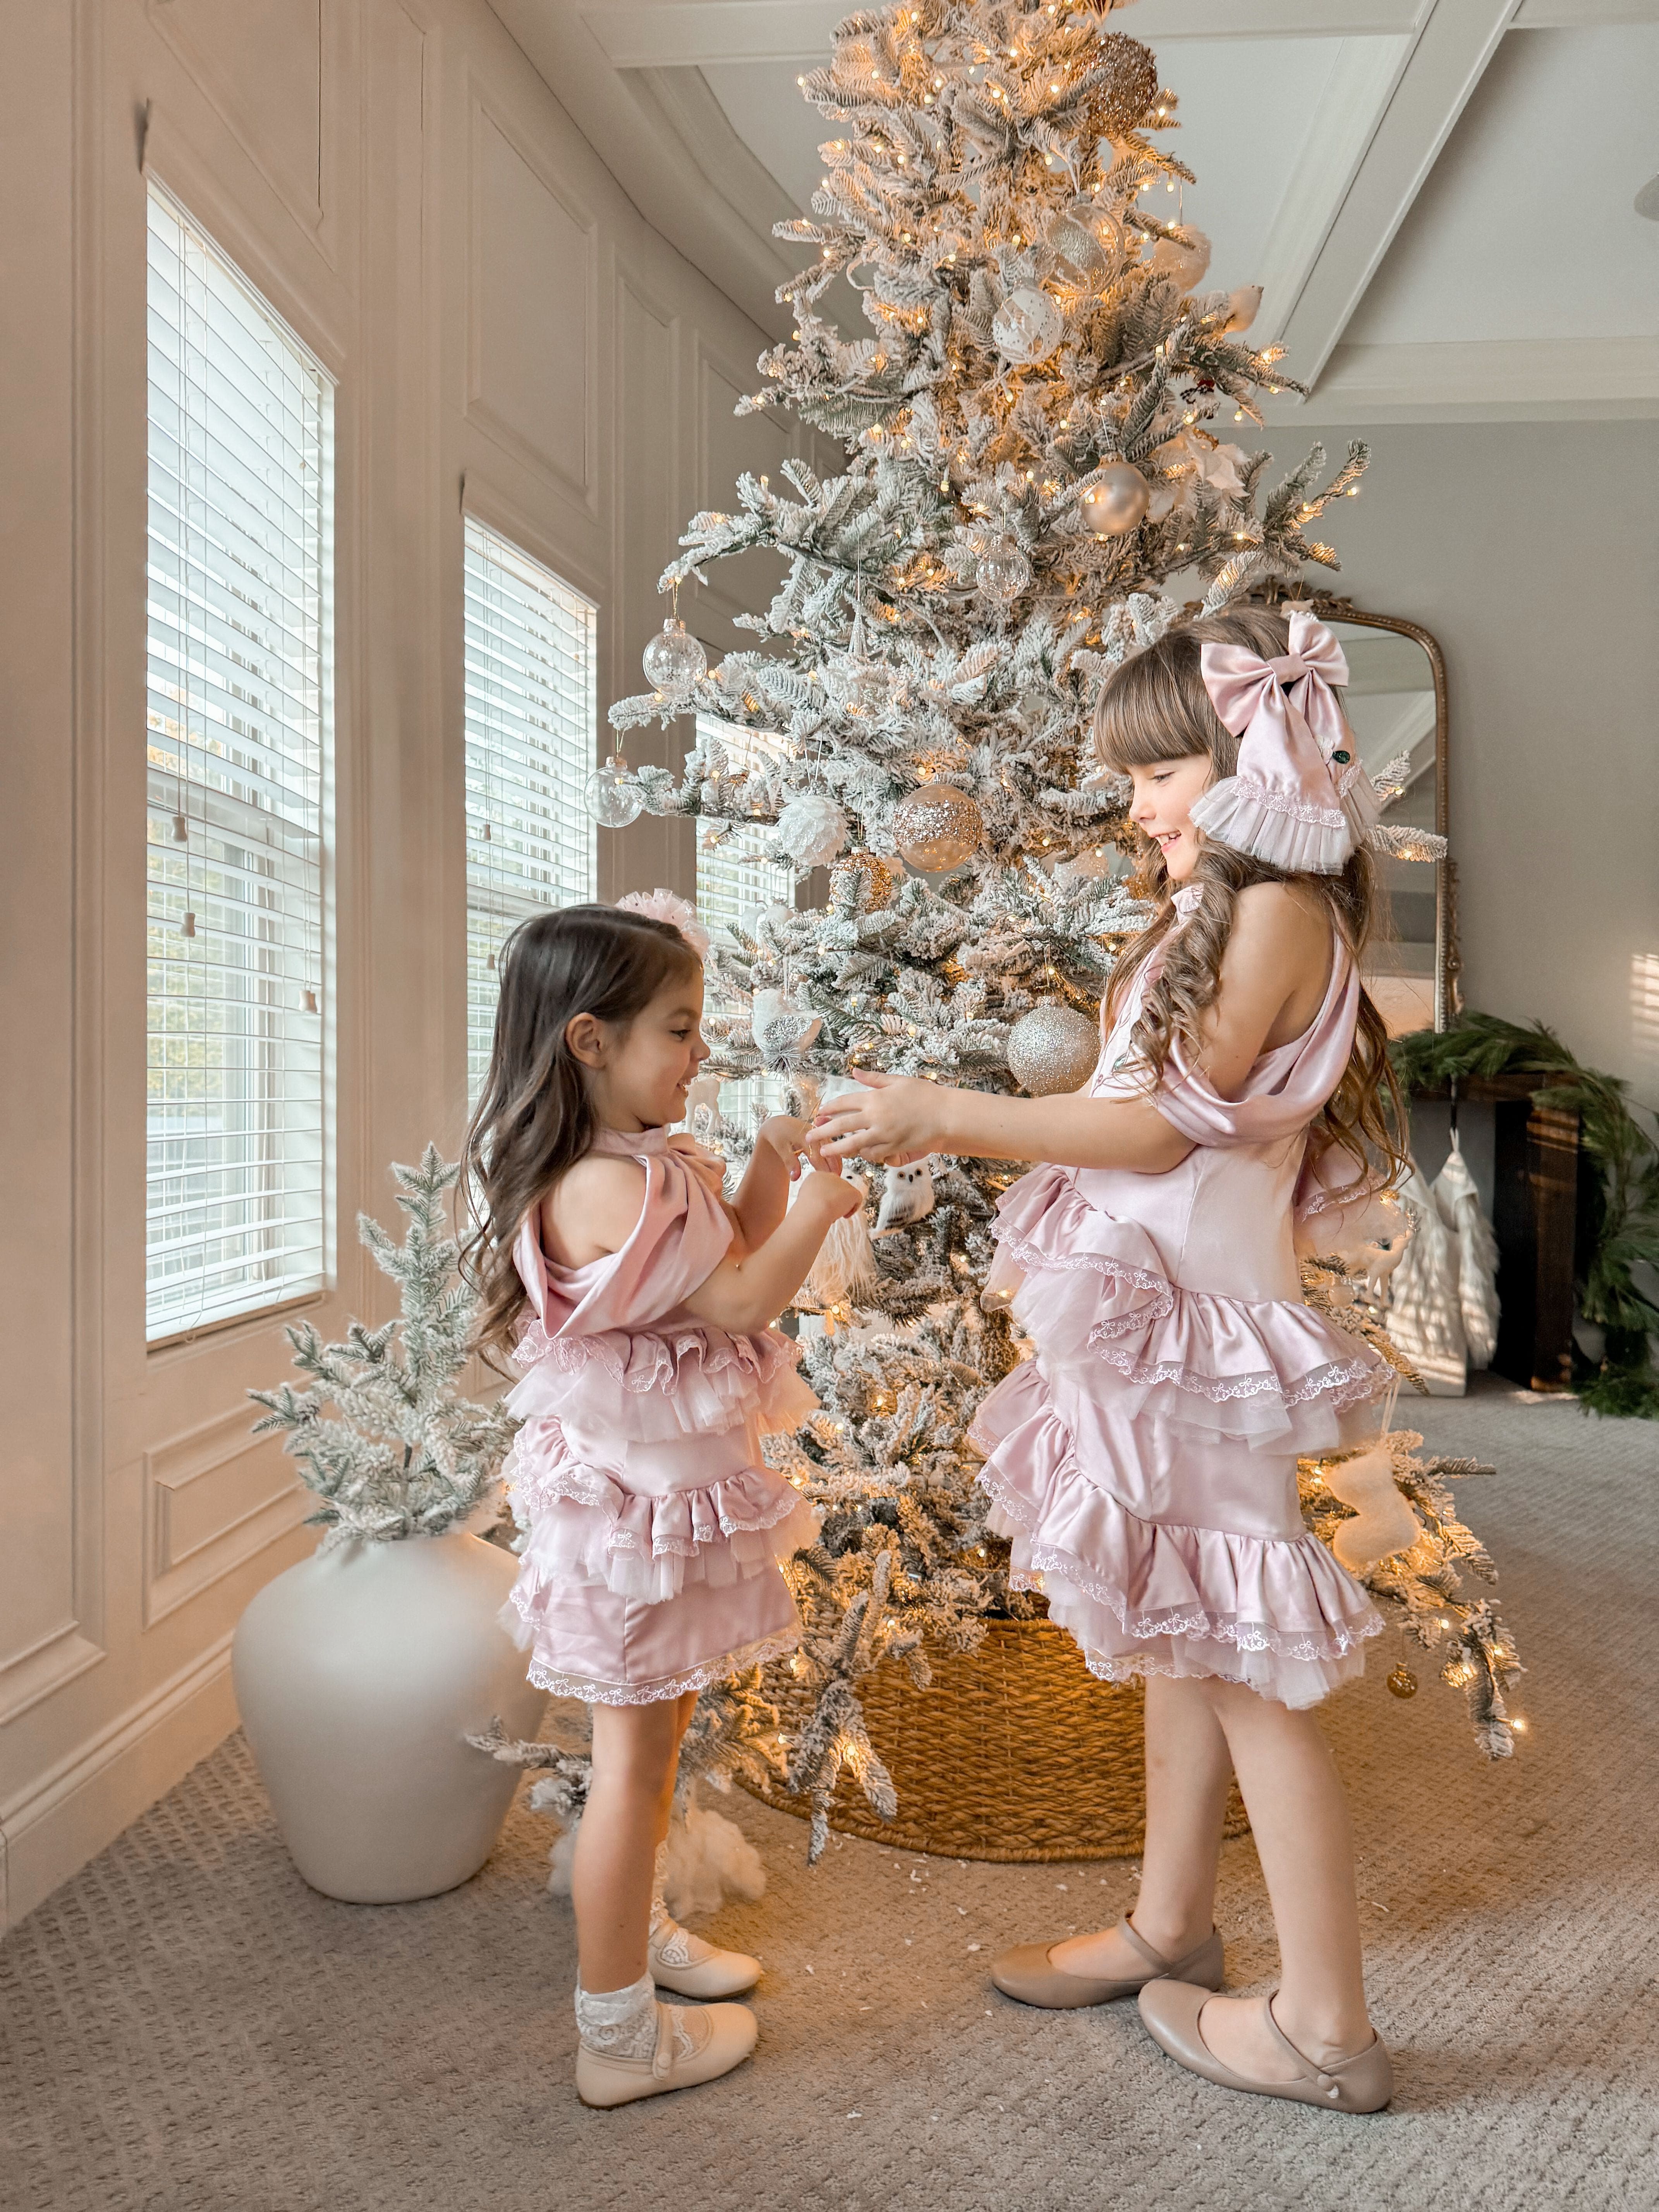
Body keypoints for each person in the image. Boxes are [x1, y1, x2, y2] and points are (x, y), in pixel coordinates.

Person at [813, 607, 1404, 2114]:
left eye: (1160, 773)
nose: (1137, 805)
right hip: (1163, 1319)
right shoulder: (1229, 906)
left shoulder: (1275, 914)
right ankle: (1171, 1926)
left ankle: (1329, 2029)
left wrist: (942, 1114)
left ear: (1250, 755)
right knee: (1181, 1632)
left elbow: (1155, 1128)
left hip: (1197, 1332)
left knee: (1244, 1667)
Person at [464, 893, 860, 2110]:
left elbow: (715, 1262)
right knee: (630, 1772)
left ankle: (634, 1945)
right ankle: (615, 2037)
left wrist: (769, 1168)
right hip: (630, 1537)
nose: (703, 1054)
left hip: (660, 1523)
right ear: (591, 1041)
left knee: (656, 1751)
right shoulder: (599, 1185)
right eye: (680, 1031)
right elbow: (742, 1303)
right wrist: (819, 1211)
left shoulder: (648, 1164)